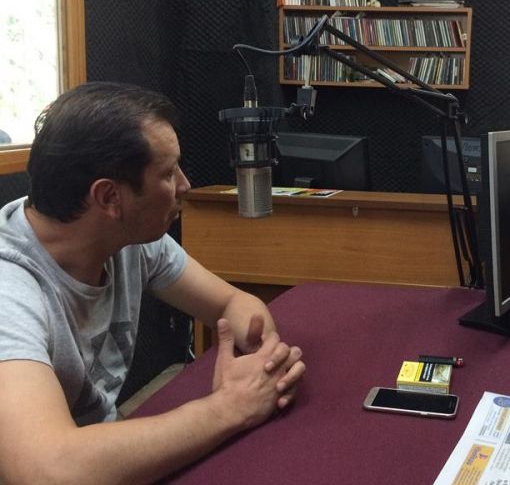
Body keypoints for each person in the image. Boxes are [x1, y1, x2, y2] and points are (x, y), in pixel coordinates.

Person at [0, 82, 306, 483]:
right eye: (167, 173)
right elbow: (47, 472)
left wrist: (262, 362)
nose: (185, 185)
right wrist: (229, 407)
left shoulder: (131, 241)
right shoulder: (9, 291)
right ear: (109, 198)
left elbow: (231, 303)